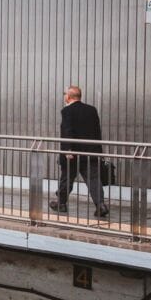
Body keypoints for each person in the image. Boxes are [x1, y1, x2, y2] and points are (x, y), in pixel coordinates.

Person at [50, 85, 108, 217]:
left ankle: (61, 203)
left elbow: (67, 131)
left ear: (69, 96)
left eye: (65, 94)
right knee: (94, 180)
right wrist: (98, 151)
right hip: (90, 153)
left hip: (73, 154)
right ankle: (101, 205)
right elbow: (97, 132)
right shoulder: (91, 110)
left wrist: (67, 150)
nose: (64, 96)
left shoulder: (67, 111)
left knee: (66, 179)